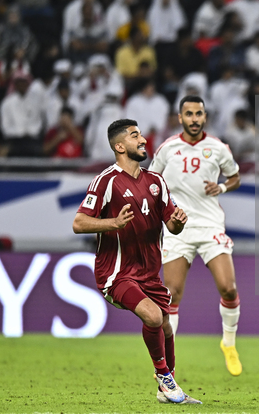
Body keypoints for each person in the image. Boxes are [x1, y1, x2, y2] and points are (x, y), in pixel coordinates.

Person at [72, 118, 201, 405]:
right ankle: (165, 380)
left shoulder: (156, 181)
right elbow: (79, 223)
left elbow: (171, 223)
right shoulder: (106, 181)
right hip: (116, 273)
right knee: (153, 317)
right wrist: (113, 223)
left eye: (141, 135)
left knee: (166, 326)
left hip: (149, 274)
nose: (143, 140)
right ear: (119, 146)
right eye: (134, 136)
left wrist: (178, 223)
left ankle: (165, 387)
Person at [149, 95, 243, 377]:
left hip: (210, 224)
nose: (194, 119)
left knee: (228, 288)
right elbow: (152, 183)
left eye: (198, 114)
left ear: (205, 117)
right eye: (188, 114)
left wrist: (223, 188)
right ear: (180, 118)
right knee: (172, 295)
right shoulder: (167, 149)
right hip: (178, 229)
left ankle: (228, 344)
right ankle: (167, 363)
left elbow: (235, 176)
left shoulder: (218, 148)